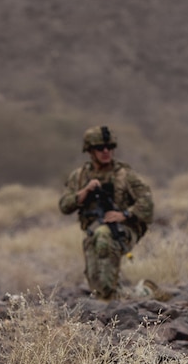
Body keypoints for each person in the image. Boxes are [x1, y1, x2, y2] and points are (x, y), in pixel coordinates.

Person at [59, 125, 154, 301]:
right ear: (90, 151)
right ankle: (144, 292)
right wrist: (85, 191)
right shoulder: (79, 176)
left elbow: (147, 203)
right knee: (97, 285)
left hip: (123, 230)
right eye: (100, 148)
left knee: (104, 236)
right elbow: (64, 206)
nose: (106, 151)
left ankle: (113, 305)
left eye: (109, 147)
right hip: (93, 233)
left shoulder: (125, 175)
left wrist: (125, 214)